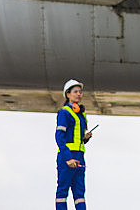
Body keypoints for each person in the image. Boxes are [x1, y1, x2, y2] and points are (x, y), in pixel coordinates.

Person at [56, 79, 94, 210]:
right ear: (68, 94)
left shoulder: (81, 114)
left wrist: (85, 138)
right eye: (75, 91)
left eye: (80, 92)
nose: (79, 94)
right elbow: (59, 137)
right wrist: (68, 159)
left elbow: (74, 137)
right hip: (67, 157)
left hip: (79, 156)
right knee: (62, 193)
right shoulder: (64, 112)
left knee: (80, 194)